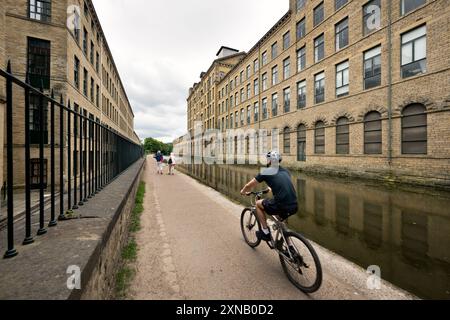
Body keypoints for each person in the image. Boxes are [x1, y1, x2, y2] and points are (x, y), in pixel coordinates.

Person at [240, 151, 298, 242]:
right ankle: (289, 246)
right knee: (280, 221)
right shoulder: (286, 171)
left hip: (281, 205)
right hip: (294, 205)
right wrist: (270, 188)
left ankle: (265, 232)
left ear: (270, 161)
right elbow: (283, 184)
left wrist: (243, 191)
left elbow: (249, 185)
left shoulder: (266, 172)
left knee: (258, 204)